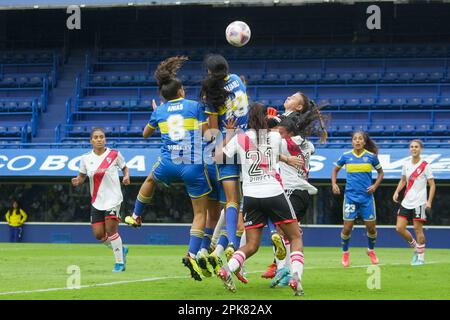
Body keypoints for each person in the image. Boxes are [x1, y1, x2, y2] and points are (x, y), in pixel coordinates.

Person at [124, 56, 212, 281]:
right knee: (200, 213)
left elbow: (145, 134)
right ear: (181, 91)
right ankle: (192, 253)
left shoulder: (160, 111)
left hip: (168, 163)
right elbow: (206, 133)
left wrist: (157, 113)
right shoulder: (194, 106)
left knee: (151, 179)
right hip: (191, 165)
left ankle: (136, 216)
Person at [215, 102, 305, 296]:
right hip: (273, 192)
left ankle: (227, 269)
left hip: (251, 196)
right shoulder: (274, 137)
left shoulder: (240, 138)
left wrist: (229, 135)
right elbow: (272, 151)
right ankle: (295, 278)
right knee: (295, 236)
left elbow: (218, 158)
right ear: (266, 118)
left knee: (251, 245)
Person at [201, 54, 249, 261]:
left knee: (231, 201)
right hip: (246, 143)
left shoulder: (210, 95)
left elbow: (212, 131)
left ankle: (230, 242)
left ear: (210, 72)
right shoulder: (238, 80)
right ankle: (232, 245)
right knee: (245, 199)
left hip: (227, 145)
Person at [71, 127, 130, 272]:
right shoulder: (85, 158)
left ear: (105, 139)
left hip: (113, 198)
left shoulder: (114, 154)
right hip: (97, 201)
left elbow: (125, 167)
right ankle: (121, 249)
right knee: (99, 235)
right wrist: (78, 180)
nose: (99, 139)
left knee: (111, 230)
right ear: (91, 141)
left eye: (101, 137)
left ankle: (119, 263)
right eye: (96, 137)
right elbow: (82, 175)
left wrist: (127, 176)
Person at [331, 131, 384, 267]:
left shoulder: (371, 157)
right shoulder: (346, 156)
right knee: (347, 228)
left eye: (360, 139)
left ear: (364, 142)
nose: (358, 141)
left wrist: (375, 186)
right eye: (355, 139)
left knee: (371, 228)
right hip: (350, 198)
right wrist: (334, 184)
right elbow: (335, 170)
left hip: (366, 198)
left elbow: (380, 173)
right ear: (352, 142)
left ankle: (371, 250)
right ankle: (345, 253)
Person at [393, 139, 435, 265]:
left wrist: (429, 202)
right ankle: (416, 247)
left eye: (416, 146)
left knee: (418, 229)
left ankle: (421, 258)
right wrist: (396, 191)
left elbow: (432, 185)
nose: (414, 149)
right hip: (406, 201)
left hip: (420, 202)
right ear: (409, 149)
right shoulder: (406, 164)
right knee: (399, 228)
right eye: (412, 147)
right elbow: (403, 180)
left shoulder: (425, 166)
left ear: (420, 149)